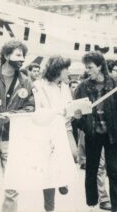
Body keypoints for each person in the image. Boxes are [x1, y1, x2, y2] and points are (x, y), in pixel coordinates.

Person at [73, 51, 117, 212]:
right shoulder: (82, 86)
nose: (88, 70)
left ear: (100, 66)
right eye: (86, 67)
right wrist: (84, 124)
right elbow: (75, 112)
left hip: (112, 134)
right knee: (91, 171)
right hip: (93, 134)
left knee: (114, 172)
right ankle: (92, 204)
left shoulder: (116, 82)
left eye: (90, 67)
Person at [32, 56, 80, 212]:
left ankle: (62, 180)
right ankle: (49, 207)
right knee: (49, 171)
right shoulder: (39, 86)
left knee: (73, 155)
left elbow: (68, 106)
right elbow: (37, 110)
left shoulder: (65, 87)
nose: (69, 72)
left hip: (64, 128)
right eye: (67, 69)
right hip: (47, 132)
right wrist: (59, 112)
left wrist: (75, 111)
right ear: (58, 69)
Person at [0, 40, 35, 212]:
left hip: (13, 138)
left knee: (13, 185)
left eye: (23, 55)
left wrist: (12, 116)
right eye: (18, 55)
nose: (22, 59)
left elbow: (30, 107)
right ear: (6, 55)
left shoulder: (25, 81)